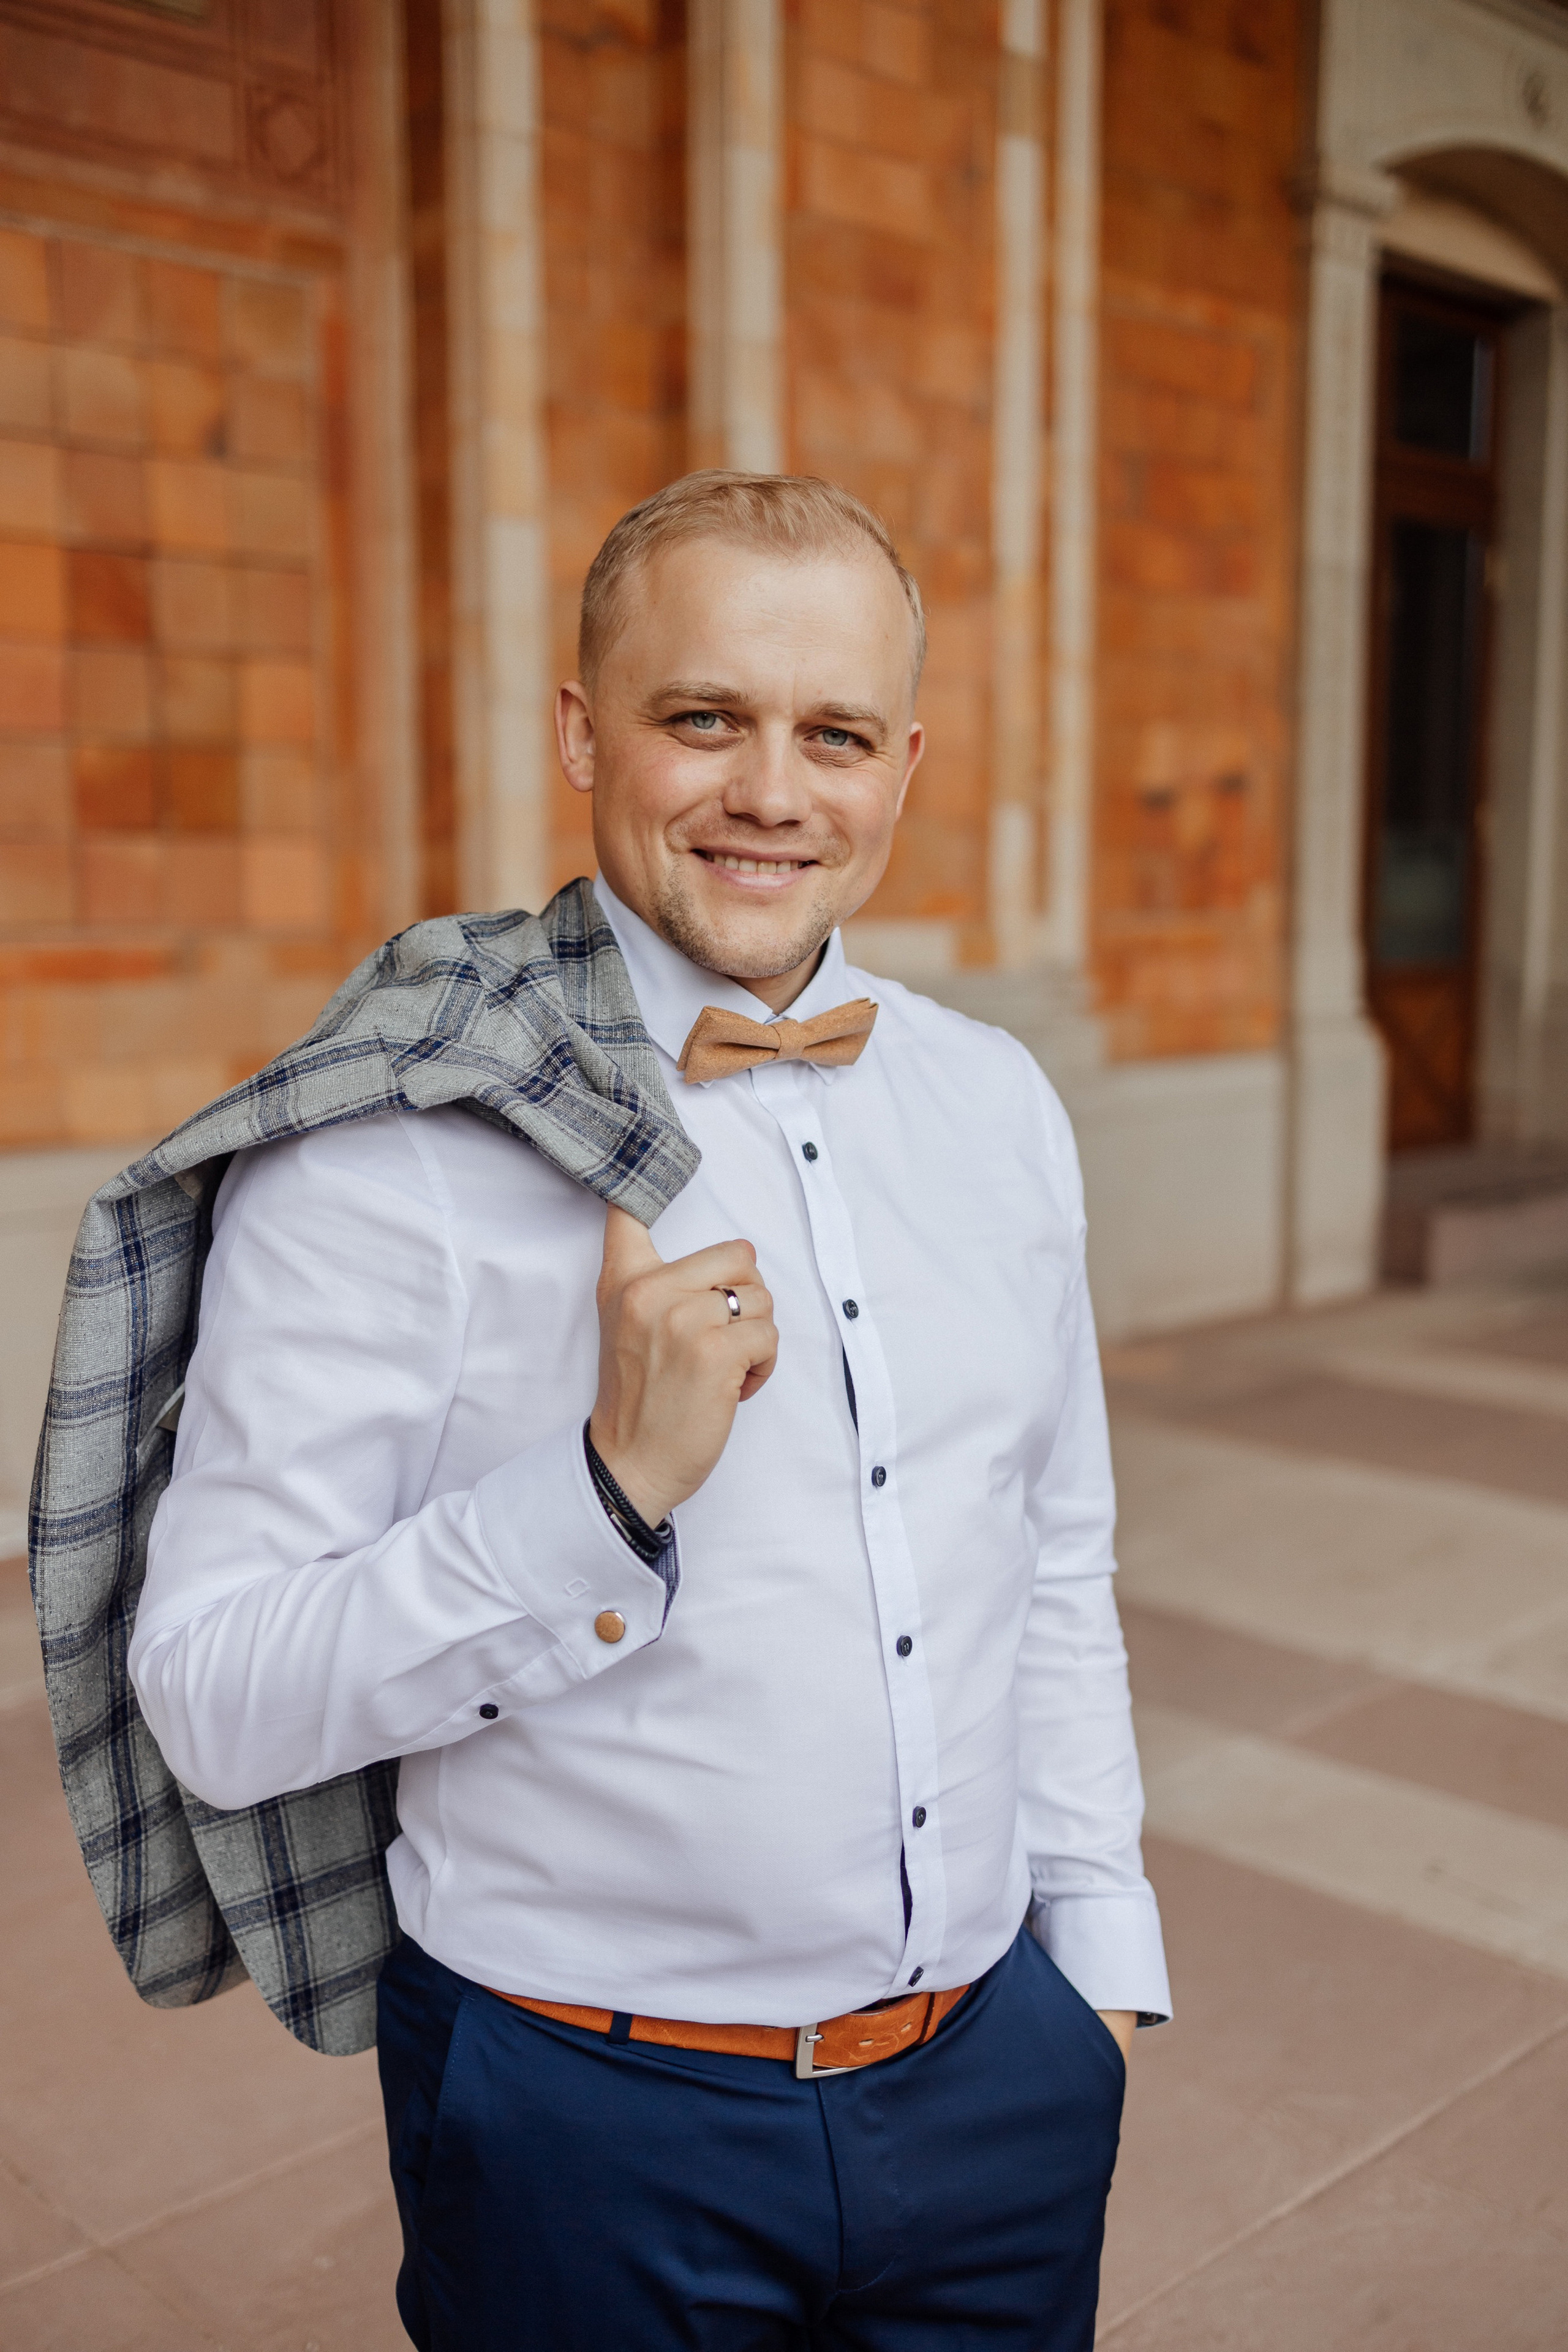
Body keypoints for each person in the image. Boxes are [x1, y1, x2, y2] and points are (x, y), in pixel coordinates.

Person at [129, 472, 1170, 2351]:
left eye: (833, 734)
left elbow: (1055, 1555)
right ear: (581, 729)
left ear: (904, 764)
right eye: (706, 717)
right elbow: (213, 1692)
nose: (775, 790)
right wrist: (601, 1493)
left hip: (997, 2090)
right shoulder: (393, 1145)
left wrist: (1094, 1973)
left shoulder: (997, 1102)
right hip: (584, 2124)